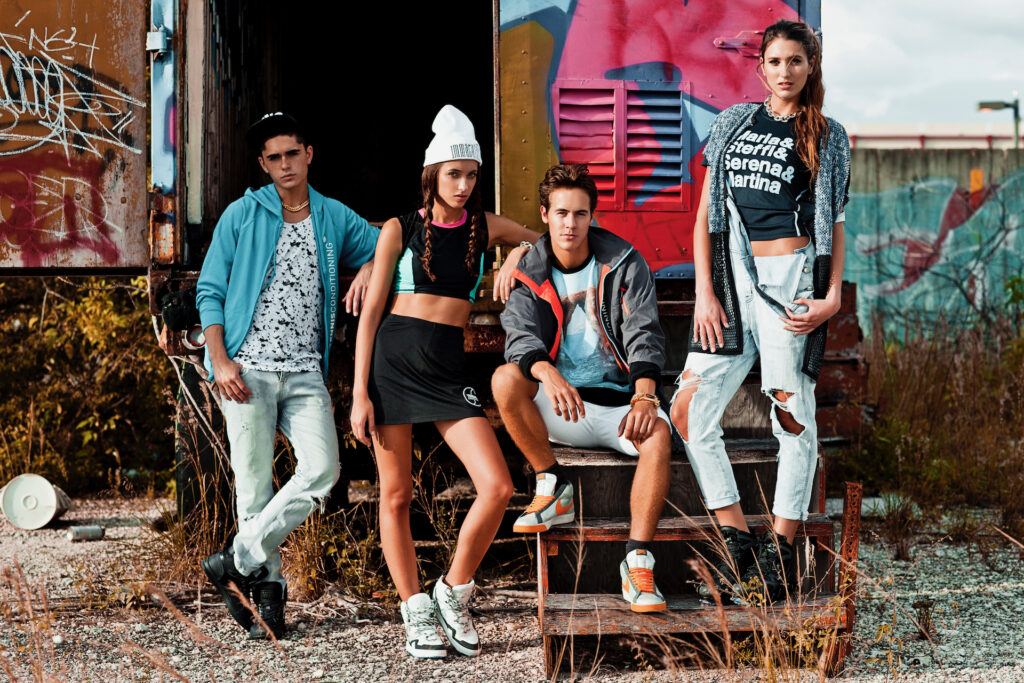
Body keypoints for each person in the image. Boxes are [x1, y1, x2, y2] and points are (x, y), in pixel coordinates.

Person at [670, 19, 850, 605]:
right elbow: (705, 215)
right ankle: (739, 542)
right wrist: (705, 289)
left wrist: (832, 297)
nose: (785, 71)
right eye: (775, 61)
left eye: (796, 61)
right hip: (731, 280)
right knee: (688, 410)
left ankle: (780, 551)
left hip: (789, 281)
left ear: (810, 67)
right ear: (760, 67)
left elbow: (835, 222)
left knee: (792, 418)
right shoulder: (731, 123)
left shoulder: (827, 132)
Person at [349, 105, 539, 659]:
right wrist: (360, 392)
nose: (463, 185)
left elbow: (540, 239)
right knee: (397, 493)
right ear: (433, 175)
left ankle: (453, 590)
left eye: (471, 174)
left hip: (448, 369)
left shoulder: (484, 228)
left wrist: (517, 256)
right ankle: (414, 610)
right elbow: (371, 313)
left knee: (498, 486)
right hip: (394, 361)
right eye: (453, 174)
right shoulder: (399, 229)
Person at [195, 112, 379, 639]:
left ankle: (237, 559)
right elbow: (210, 290)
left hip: (304, 372)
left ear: (309, 154)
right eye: (273, 158)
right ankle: (268, 596)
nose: (284, 165)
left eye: (291, 154)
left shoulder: (333, 216)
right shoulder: (242, 215)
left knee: (324, 469)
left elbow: (389, 243)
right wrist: (221, 360)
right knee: (253, 489)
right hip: (246, 369)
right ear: (263, 164)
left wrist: (367, 265)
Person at [492, 163, 673, 613]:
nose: (569, 223)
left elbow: (644, 333)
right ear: (545, 214)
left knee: (660, 436)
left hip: (618, 408)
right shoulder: (529, 269)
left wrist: (645, 395)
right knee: (504, 379)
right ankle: (552, 483)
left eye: (579, 213)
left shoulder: (625, 262)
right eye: (560, 213)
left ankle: (637, 563)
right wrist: (548, 374)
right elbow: (519, 336)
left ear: (592, 216)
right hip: (562, 409)